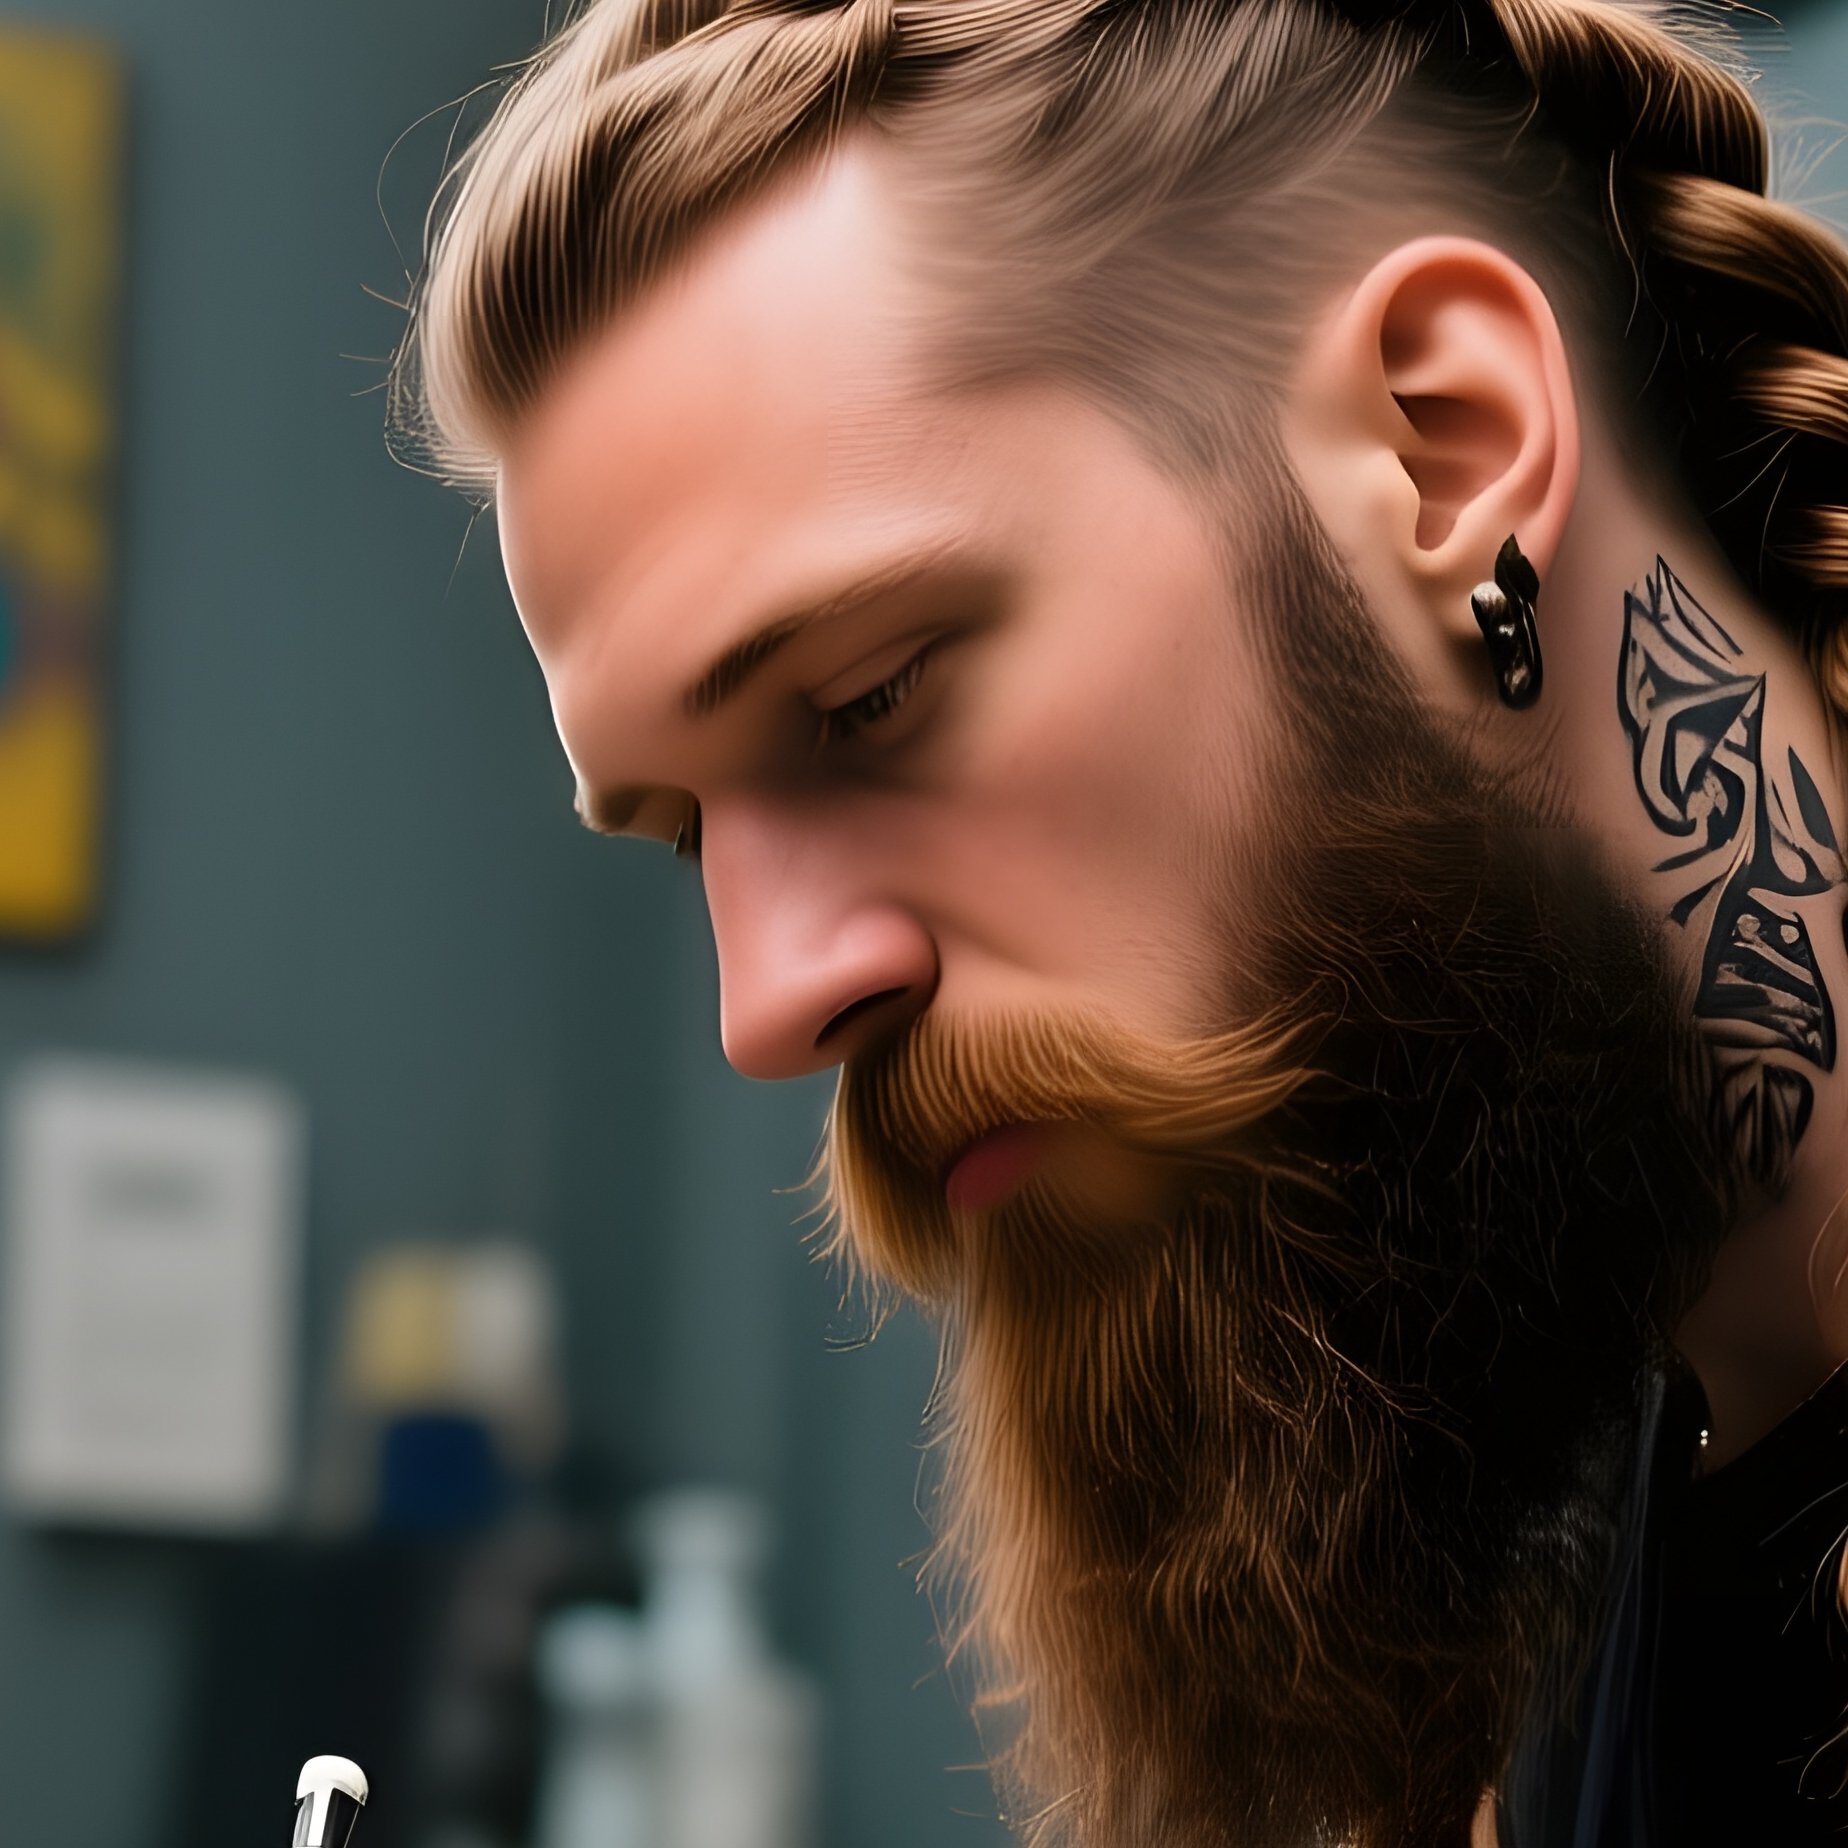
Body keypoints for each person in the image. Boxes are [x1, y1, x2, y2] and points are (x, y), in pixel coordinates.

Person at [387, 1, 1848, 1842]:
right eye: (690, 836)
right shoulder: (1585, 1597)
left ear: (1445, 448)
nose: (767, 1008)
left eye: (870, 697)